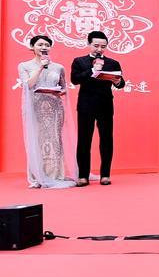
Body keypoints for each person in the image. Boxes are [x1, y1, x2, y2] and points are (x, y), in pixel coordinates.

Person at [17, 35, 76, 188]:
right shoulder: (24, 66)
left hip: (55, 107)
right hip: (35, 108)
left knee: (55, 139)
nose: (44, 47)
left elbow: (64, 88)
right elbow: (28, 85)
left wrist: (58, 91)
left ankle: (56, 174)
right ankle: (38, 176)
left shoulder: (59, 67)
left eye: (47, 45)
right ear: (32, 47)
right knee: (37, 139)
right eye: (40, 44)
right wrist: (41, 68)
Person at [70, 31, 126, 186]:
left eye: (103, 46)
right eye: (96, 46)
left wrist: (117, 82)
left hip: (105, 105)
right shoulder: (79, 61)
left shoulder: (113, 63)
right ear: (89, 44)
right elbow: (74, 80)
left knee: (106, 140)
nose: (99, 49)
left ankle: (105, 175)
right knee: (84, 141)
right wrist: (93, 70)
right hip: (85, 105)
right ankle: (83, 176)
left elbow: (121, 83)